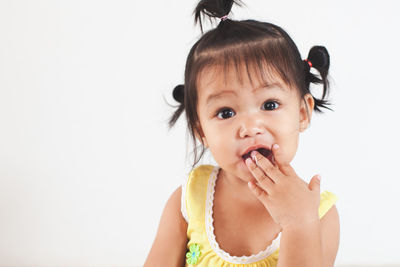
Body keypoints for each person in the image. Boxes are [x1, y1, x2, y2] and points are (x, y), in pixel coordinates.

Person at [144, 0, 340, 266]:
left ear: (302, 114)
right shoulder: (189, 202)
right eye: (226, 112)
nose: (249, 128)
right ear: (201, 129)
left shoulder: (319, 214)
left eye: (269, 105)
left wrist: (299, 223)